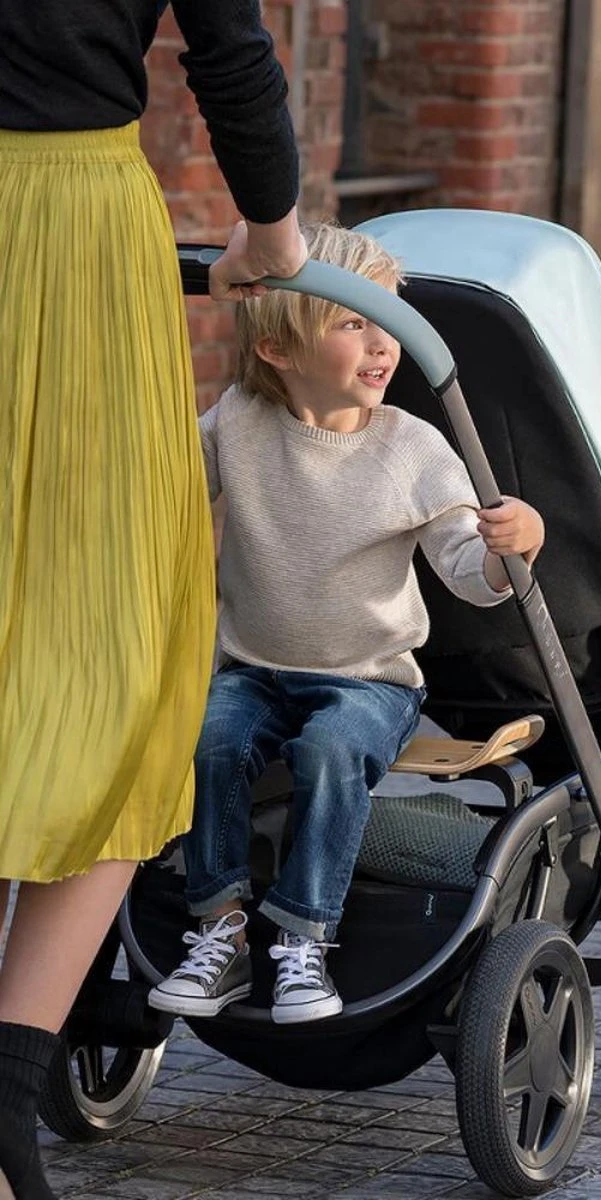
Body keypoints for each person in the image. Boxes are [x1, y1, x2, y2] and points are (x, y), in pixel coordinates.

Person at [0, 2, 308, 1195]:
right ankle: (4, 1104)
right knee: (122, 670)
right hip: (78, 236)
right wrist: (273, 239)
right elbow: (230, 52)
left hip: (78, 229)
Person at [147, 223, 546, 1025]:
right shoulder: (240, 424)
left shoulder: (414, 448)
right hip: (255, 668)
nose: (380, 343)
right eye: (351, 322)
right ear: (279, 353)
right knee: (208, 739)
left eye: (386, 320)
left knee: (330, 749)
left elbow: (470, 573)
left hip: (370, 679)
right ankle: (220, 928)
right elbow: (161, 483)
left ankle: (302, 938)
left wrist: (515, 548)